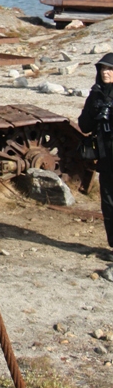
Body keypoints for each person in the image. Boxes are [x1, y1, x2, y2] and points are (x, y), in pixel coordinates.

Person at [79, 53, 113, 254]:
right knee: (108, 203)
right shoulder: (96, 94)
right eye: (102, 69)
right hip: (105, 156)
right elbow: (84, 125)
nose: (105, 73)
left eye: (109, 69)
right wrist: (96, 113)